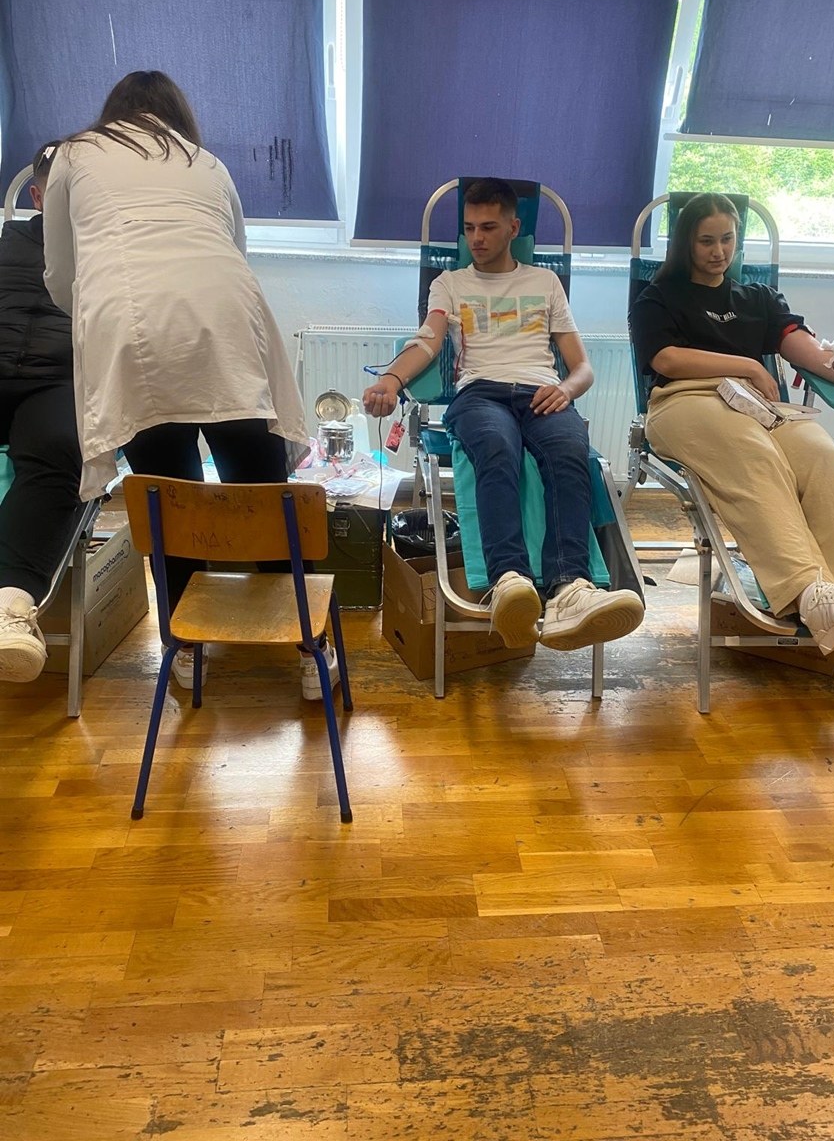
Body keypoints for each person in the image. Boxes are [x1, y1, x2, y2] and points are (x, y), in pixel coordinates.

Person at [42, 71, 332, 697]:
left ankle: (185, 643)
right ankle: (309, 647)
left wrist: (101, 312)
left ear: (114, 111)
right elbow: (236, 251)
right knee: (262, 488)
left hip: (131, 324)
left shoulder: (73, 154)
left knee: (166, 495)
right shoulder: (208, 163)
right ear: (177, 114)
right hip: (227, 316)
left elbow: (61, 274)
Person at [363, 178, 644, 651]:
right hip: (480, 395)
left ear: (514, 228)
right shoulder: (450, 283)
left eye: (489, 227)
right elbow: (428, 340)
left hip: (541, 393)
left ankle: (570, 590)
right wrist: (391, 380)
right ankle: (508, 580)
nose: (476, 238)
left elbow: (582, 368)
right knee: (496, 448)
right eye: (470, 227)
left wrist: (566, 389)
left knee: (571, 454)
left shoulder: (545, 282)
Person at [629, 192, 834, 656]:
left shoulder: (758, 298)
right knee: (752, 450)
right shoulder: (657, 297)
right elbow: (666, 359)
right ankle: (809, 594)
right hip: (686, 402)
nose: (719, 251)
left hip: (758, 407)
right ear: (685, 243)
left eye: (727, 239)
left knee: (819, 452)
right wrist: (749, 365)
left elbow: (813, 354)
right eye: (706, 241)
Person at [0, 143, 82, 682]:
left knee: (60, 448)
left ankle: (10, 606)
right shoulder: (5, 243)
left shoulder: (108, 250)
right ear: (36, 195)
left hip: (56, 383)